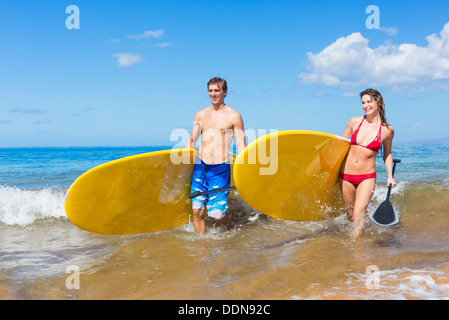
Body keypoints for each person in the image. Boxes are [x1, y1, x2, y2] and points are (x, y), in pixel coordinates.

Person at [186, 77, 246, 233]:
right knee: (197, 212)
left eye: (217, 90)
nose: (213, 94)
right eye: (211, 91)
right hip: (200, 167)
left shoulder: (234, 116)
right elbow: (192, 141)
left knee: (217, 215)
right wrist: (182, 166)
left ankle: (233, 228)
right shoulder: (200, 115)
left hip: (220, 169)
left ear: (224, 92)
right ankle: (202, 248)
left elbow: (241, 146)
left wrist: (245, 171)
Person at [339, 88, 396, 238]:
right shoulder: (354, 121)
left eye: (369, 101)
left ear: (379, 102)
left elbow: (387, 154)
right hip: (346, 175)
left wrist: (390, 176)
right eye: (363, 102)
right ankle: (351, 247)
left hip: (367, 177)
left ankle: (358, 252)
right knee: (350, 216)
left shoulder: (387, 130)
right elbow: (339, 145)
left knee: (358, 215)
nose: (365, 105)